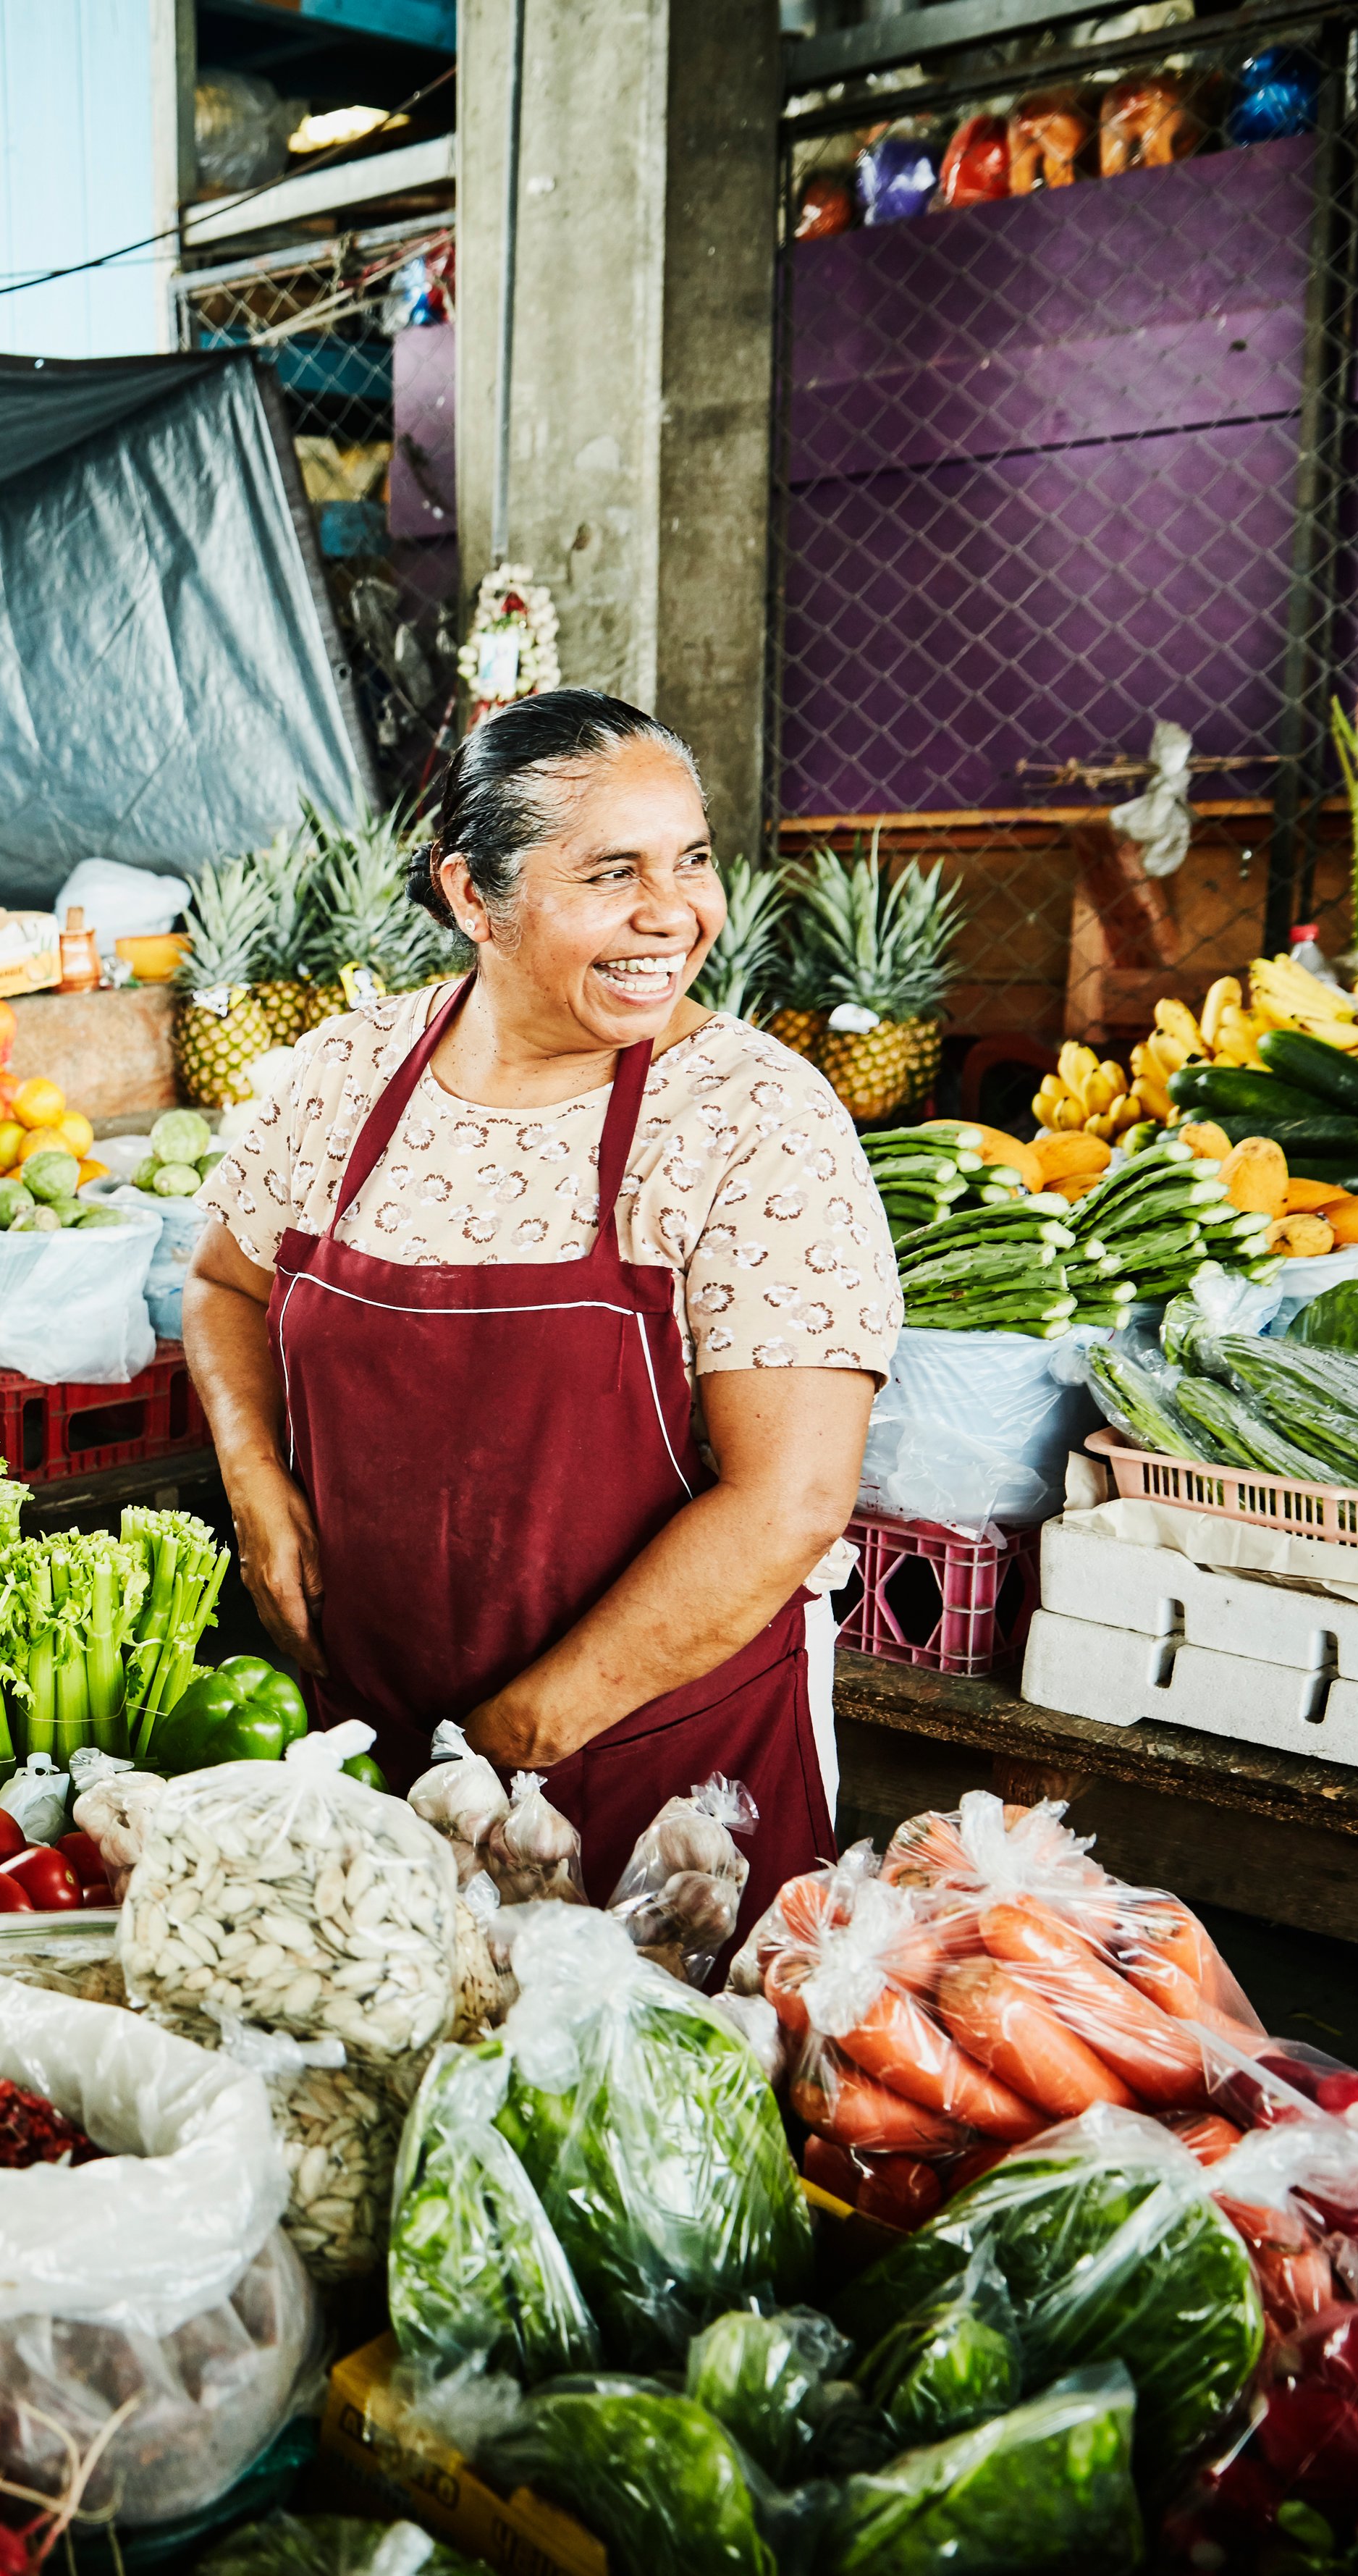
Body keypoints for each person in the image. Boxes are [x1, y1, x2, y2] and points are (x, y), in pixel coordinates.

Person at [182, 689, 899, 1922]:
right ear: (475, 898)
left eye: (690, 863)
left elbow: (789, 1504)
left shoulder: (751, 1119)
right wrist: (255, 1479)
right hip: (364, 1734)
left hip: (660, 1795)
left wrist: (520, 1736)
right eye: (611, 871)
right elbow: (221, 1285)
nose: (671, 915)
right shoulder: (344, 1074)